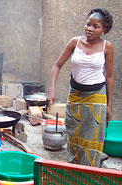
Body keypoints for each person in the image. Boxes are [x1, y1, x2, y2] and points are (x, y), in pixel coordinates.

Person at [47, 8, 114, 167]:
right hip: (75, 94)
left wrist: (109, 104)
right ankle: (75, 169)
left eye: (95, 26)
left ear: (104, 30)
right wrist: (52, 89)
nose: (89, 29)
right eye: (87, 24)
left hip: (96, 96)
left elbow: (109, 76)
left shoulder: (107, 47)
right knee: (74, 134)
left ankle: (89, 171)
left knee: (92, 137)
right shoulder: (75, 42)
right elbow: (57, 65)